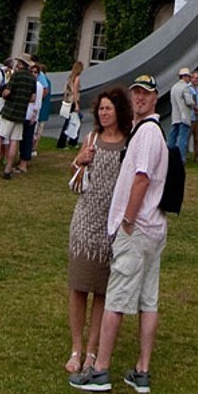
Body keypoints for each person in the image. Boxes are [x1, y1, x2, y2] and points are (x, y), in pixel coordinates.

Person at [70, 73, 170, 394]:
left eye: (146, 94)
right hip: (151, 229)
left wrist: (127, 219)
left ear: (155, 99)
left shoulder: (145, 135)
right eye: (136, 93)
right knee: (147, 302)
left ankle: (100, 370)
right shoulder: (146, 132)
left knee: (114, 300)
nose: (140, 98)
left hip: (137, 230)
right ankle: (141, 370)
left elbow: (141, 179)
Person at [66, 85, 134, 375]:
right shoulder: (91, 138)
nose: (104, 113)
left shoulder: (129, 144)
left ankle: (93, 350)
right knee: (79, 287)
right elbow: (76, 172)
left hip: (111, 226)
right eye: (101, 109)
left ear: (119, 110)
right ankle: (76, 349)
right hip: (84, 221)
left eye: (109, 108)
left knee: (102, 291)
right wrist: (77, 161)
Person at [0, 54, 35, 179]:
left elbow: (7, 93)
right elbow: (32, 98)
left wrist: (4, 92)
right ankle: (8, 169)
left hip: (9, 111)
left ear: (21, 64)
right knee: (14, 141)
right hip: (21, 114)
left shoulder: (16, 75)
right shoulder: (32, 79)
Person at [167, 67, 196, 159]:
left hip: (175, 116)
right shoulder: (186, 87)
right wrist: (194, 103)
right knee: (182, 139)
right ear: (185, 77)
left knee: (172, 138)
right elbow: (189, 101)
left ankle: (169, 157)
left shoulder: (174, 87)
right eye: (189, 77)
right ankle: (180, 158)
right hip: (184, 116)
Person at [56, 60, 84, 149]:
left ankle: (71, 140)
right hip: (73, 101)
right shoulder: (77, 78)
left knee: (71, 121)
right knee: (73, 121)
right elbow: (75, 91)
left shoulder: (70, 78)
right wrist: (76, 104)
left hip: (68, 101)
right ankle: (66, 141)